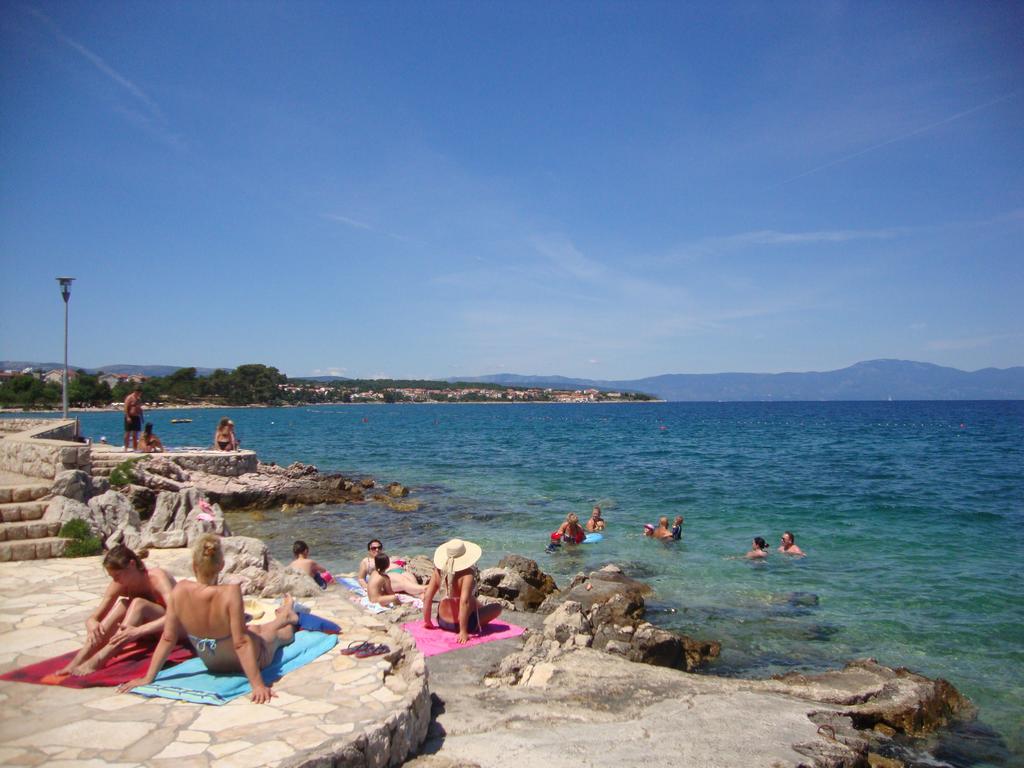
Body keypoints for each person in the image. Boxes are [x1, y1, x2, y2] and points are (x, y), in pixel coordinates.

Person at [118, 534, 298, 704]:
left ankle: (284, 615)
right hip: (247, 660)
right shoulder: (230, 593)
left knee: (256, 630)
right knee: (280, 636)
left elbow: (167, 638)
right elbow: (241, 643)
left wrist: (148, 678)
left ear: (194, 565)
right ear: (221, 565)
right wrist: (257, 685)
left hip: (212, 663)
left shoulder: (179, 590)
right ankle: (286, 616)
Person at [57, 545, 176, 676]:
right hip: (148, 632)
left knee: (138, 604)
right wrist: (91, 622)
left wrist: (138, 631)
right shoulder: (120, 583)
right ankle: (77, 661)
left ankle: (100, 658)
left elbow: (176, 615)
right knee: (123, 604)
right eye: (112, 577)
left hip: (175, 628)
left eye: (117, 575)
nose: (115, 580)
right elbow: (96, 616)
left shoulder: (156, 578)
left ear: (132, 564)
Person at [422, 538, 501, 644]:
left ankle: (479, 611)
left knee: (474, 601)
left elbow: (427, 596)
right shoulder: (467, 574)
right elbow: (464, 602)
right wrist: (463, 631)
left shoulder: (438, 571)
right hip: (465, 624)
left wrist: (427, 621)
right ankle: (468, 624)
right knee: (497, 607)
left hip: (442, 621)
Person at [357, 539, 424, 596]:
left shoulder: (386, 557)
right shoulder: (366, 561)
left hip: (401, 571)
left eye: (379, 547)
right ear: (369, 550)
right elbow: (361, 578)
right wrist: (368, 588)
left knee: (415, 585)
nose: (377, 550)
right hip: (389, 574)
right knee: (405, 582)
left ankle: (424, 596)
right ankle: (428, 588)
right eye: (374, 548)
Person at [123, 386, 143, 451]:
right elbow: (126, 408)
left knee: (135, 434)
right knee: (127, 433)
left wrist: (142, 417)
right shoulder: (129, 398)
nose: (139, 394)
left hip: (136, 417)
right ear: (135, 391)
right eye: (138, 393)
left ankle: (135, 448)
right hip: (130, 416)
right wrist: (128, 417)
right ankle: (126, 447)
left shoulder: (139, 399)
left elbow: (140, 408)